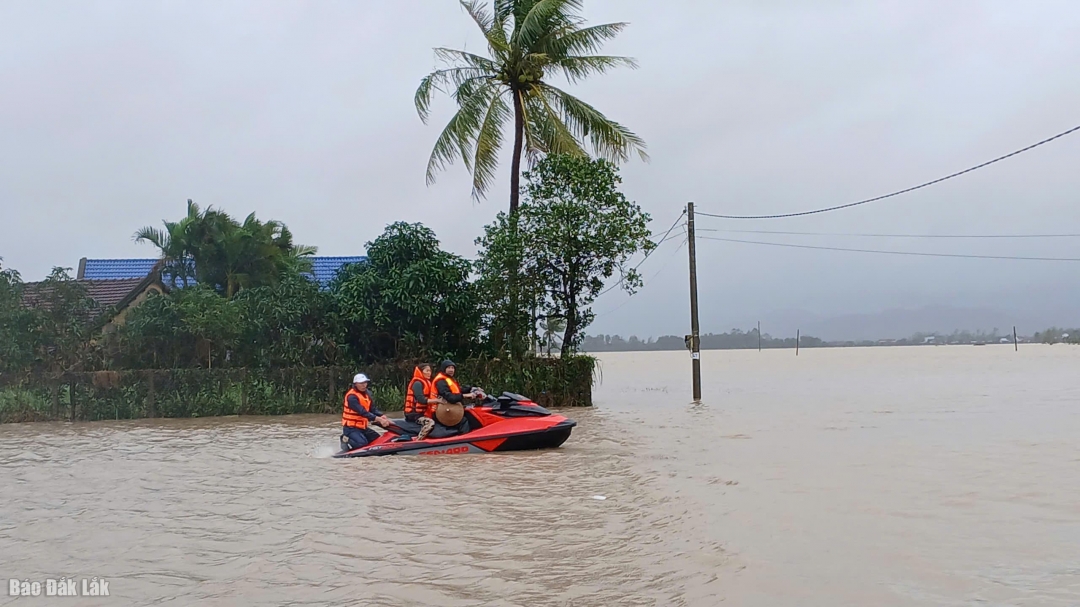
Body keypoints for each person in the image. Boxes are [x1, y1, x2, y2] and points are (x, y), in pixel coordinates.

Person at [430, 360, 484, 437]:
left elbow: (458, 390)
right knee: (463, 421)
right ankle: (465, 439)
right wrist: (465, 396)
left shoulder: (447, 379)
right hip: (441, 411)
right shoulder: (441, 381)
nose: (451, 370)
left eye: (453, 368)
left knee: (469, 412)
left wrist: (472, 388)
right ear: (443, 368)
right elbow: (449, 397)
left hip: (448, 408)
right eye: (449, 368)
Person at [341, 373, 391, 451]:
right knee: (362, 444)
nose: (364, 385)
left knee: (378, 440)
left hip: (362, 427)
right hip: (351, 428)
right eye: (361, 383)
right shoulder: (351, 397)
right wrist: (379, 419)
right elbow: (363, 412)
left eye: (365, 382)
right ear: (355, 384)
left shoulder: (367, 394)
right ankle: (345, 439)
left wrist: (382, 416)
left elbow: (373, 409)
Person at [403, 363, 441, 441]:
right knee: (430, 423)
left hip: (422, 413)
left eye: (430, 371)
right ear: (421, 372)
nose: (429, 373)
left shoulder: (427, 383)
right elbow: (422, 400)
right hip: (414, 414)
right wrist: (438, 401)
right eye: (427, 371)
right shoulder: (417, 383)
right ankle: (419, 440)